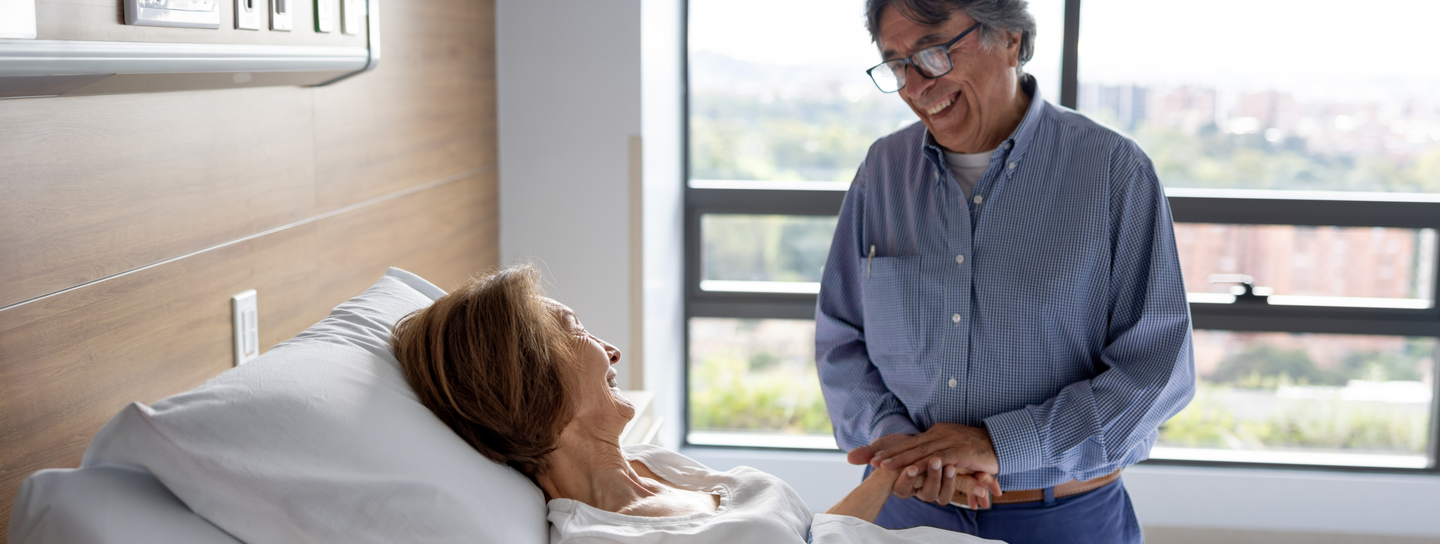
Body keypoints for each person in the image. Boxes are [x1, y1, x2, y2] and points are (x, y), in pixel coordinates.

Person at [814, 0, 1196, 542]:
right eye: (897, 64)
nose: (915, 85)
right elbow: (841, 339)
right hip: (905, 513)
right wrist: (907, 448)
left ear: (1010, 39)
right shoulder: (883, 170)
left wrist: (998, 446)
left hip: (1065, 520)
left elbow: (1156, 371)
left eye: (933, 53)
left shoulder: (1113, 170)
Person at [391, 265, 1001, 544]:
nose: (610, 349)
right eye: (575, 328)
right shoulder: (602, 537)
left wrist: (896, 469)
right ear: (529, 375)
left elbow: (810, 534)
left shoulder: (657, 464)